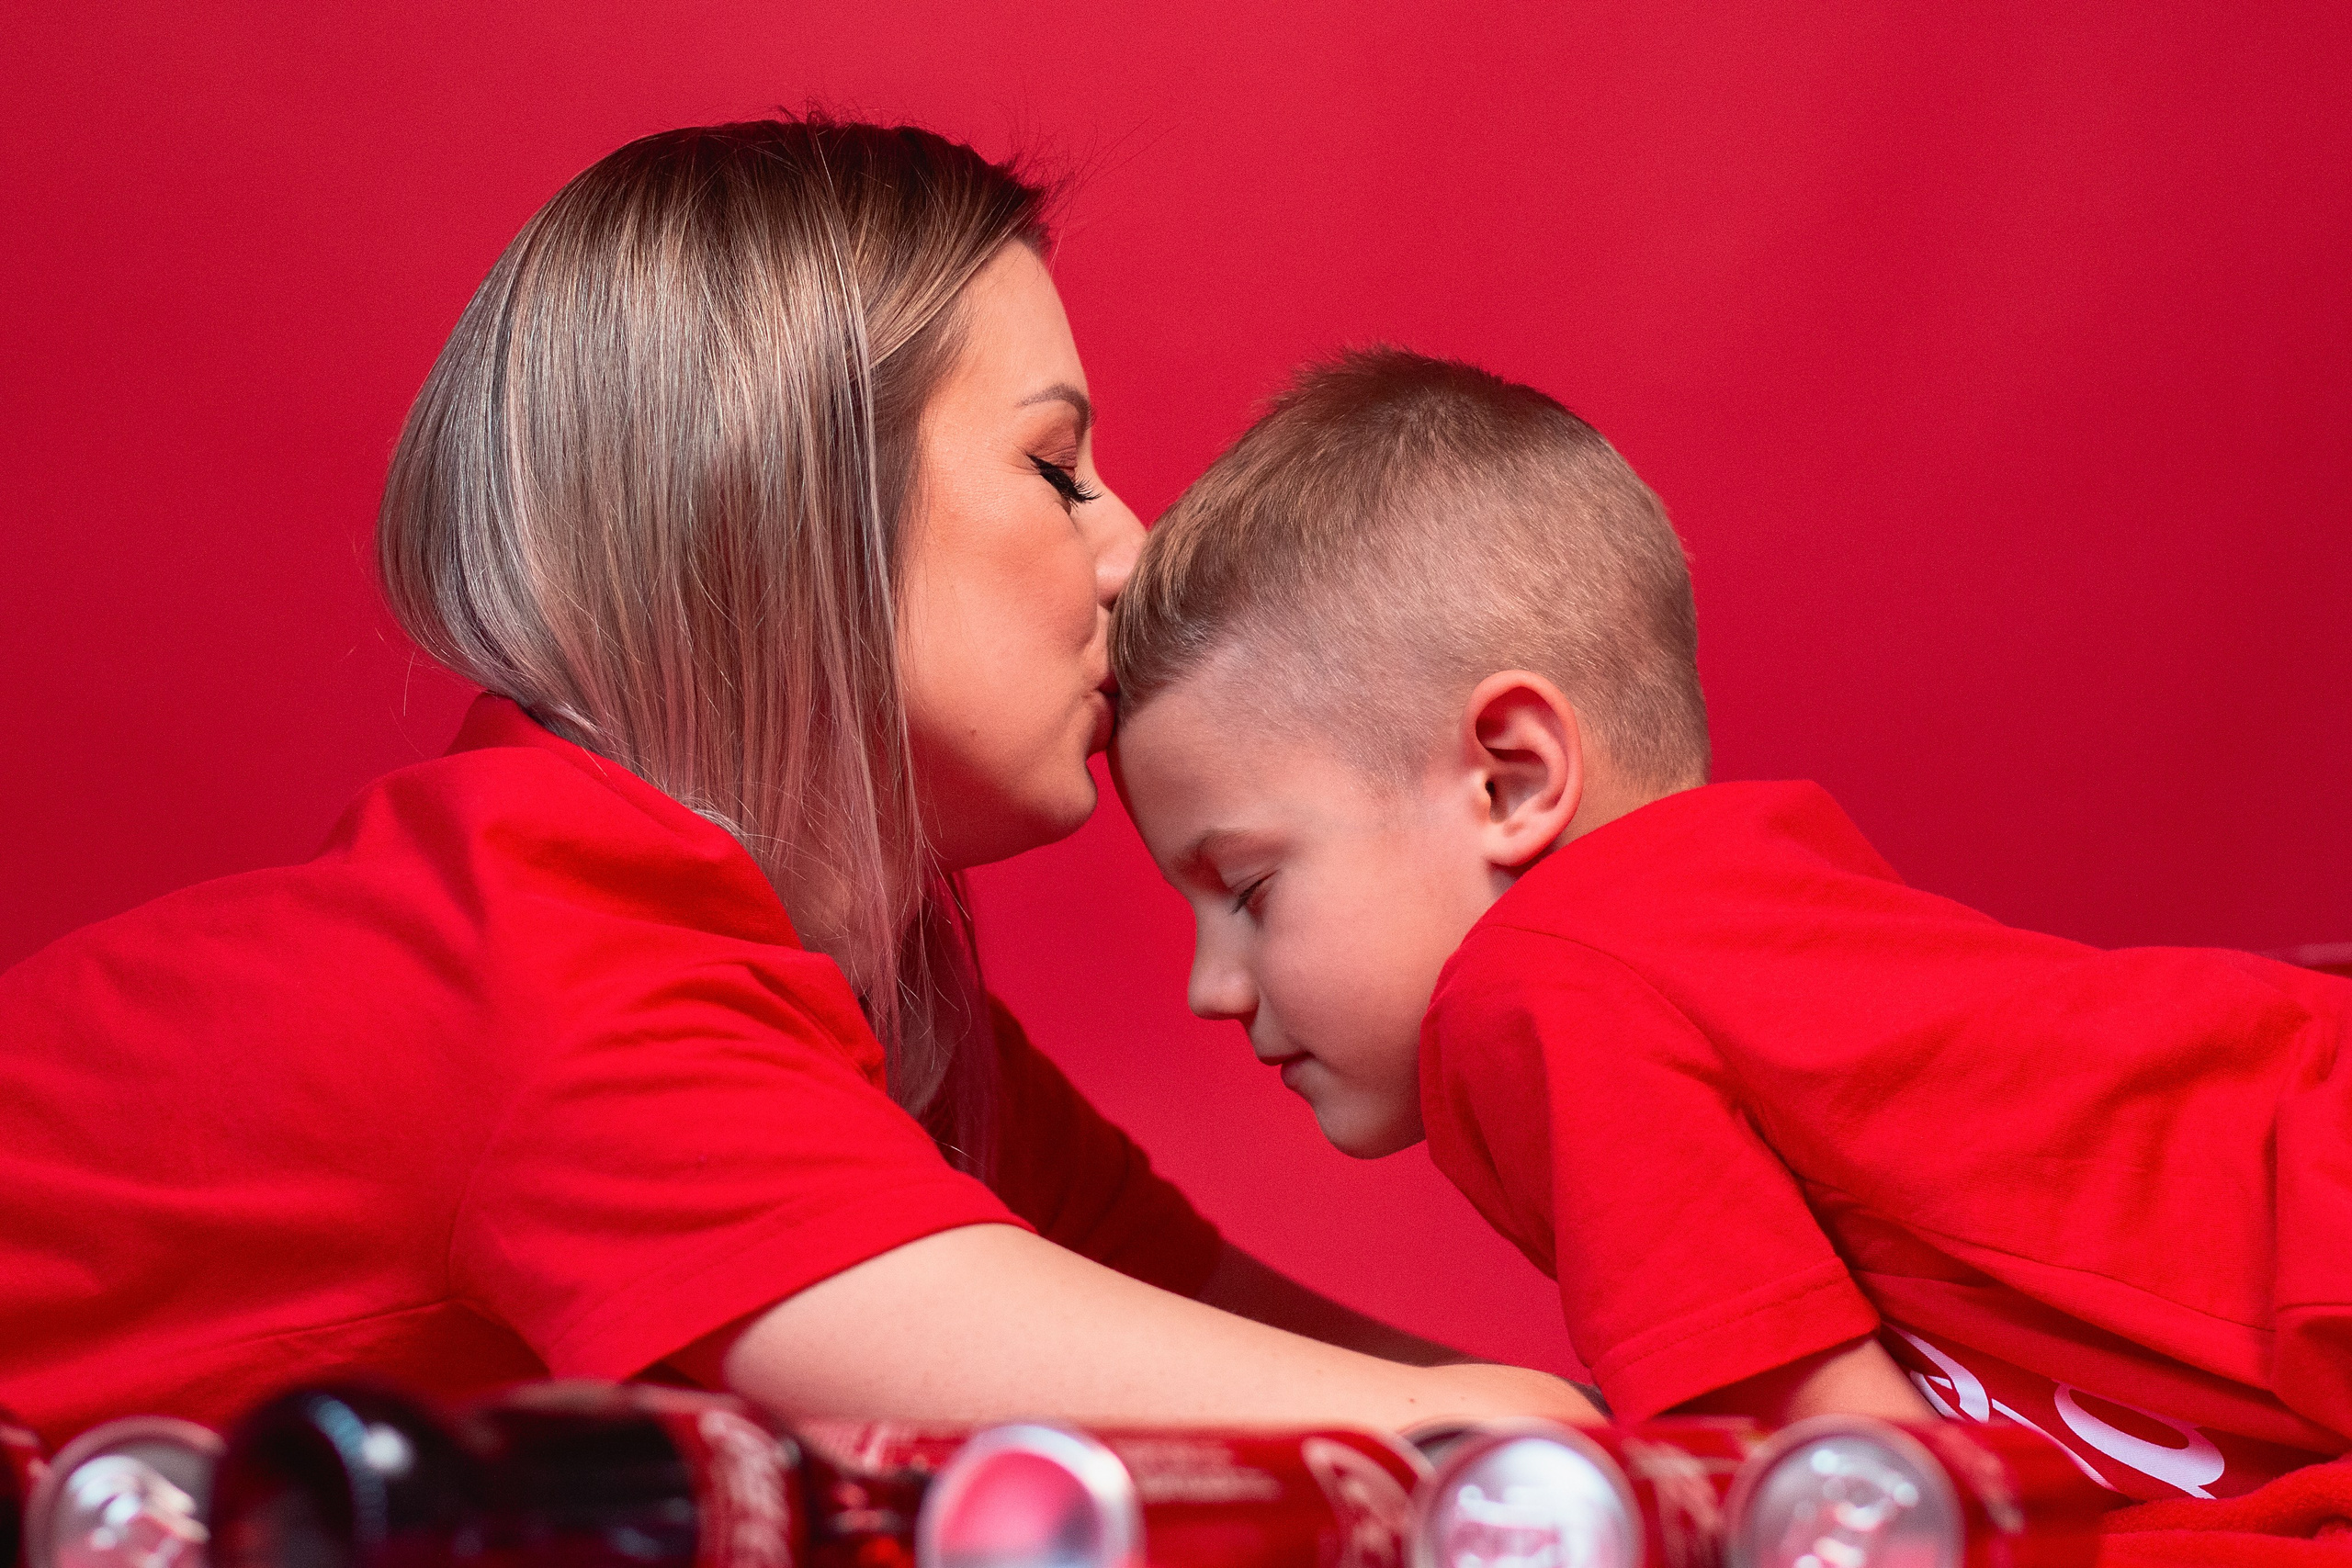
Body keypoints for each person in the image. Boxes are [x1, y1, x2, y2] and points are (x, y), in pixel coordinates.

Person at [0, 122, 1599, 1447]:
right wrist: (1600, 1443)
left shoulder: (861, 979)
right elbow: (1351, 1435)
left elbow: (1238, 1346)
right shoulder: (566, 976)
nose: (1131, 546)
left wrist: (1576, 1432)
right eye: (1055, 468)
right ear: (783, 506)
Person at [1107, 345, 2352, 1501]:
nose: (1214, 987)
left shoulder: (1538, 991)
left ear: (1510, 778)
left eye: (1252, 892)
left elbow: (1861, 1500)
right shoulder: (1756, 933)